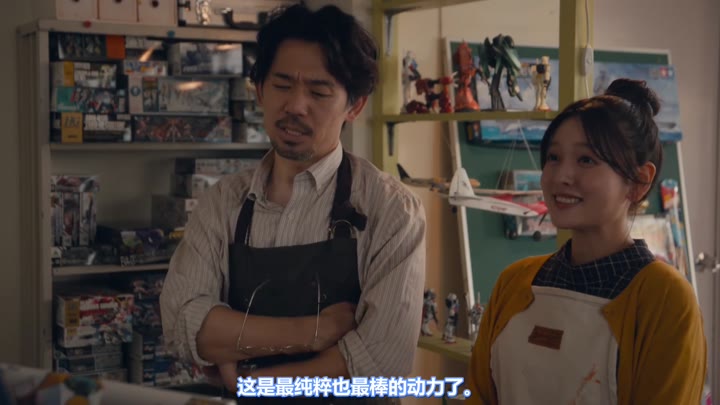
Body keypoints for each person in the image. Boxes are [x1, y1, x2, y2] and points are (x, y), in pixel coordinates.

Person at [159, 3, 427, 401]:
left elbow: (381, 360)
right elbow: (184, 326)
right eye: (282, 85)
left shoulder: (391, 210)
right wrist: (315, 332)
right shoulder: (223, 203)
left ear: (354, 106)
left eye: (319, 92)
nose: (296, 106)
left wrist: (252, 381)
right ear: (259, 90)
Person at [465, 78, 707, 404]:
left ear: (639, 181)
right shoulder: (515, 282)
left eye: (586, 160)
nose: (561, 176)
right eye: (553, 157)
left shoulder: (665, 299)